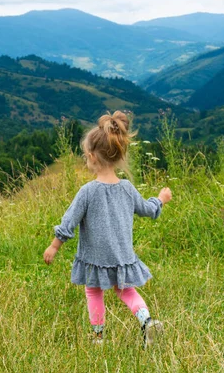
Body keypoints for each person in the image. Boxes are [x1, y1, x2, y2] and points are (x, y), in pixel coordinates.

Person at [43, 111, 172, 347]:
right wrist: (160, 200)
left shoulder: (87, 192)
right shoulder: (127, 188)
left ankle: (98, 337)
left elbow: (68, 223)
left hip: (94, 257)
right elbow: (147, 209)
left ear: (91, 157)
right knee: (126, 291)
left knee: (93, 292)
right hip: (122, 256)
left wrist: (54, 246)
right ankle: (147, 321)